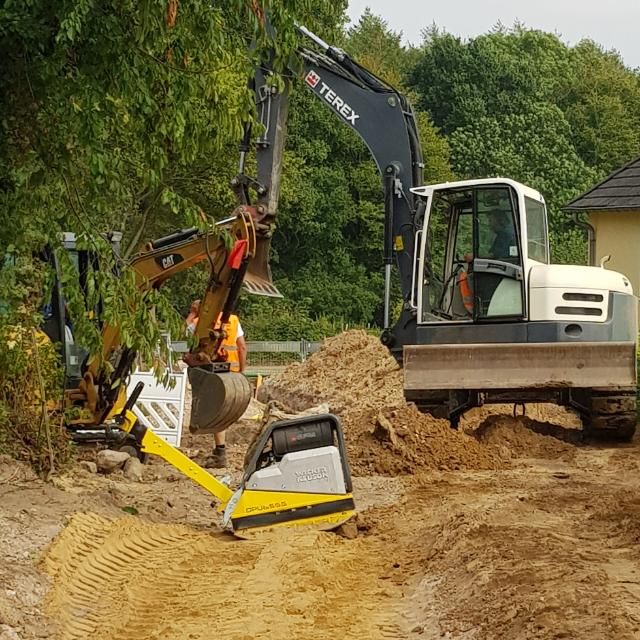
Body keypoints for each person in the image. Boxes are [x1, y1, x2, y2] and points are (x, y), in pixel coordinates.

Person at [185, 299, 247, 468]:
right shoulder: (233, 320)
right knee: (221, 410)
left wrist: (192, 315)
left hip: (209, 373)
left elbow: (184, 334)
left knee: (213, 409)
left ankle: (220, 453)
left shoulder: (198, 324)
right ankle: (219, 451)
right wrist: (242, 370)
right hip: (231, 373)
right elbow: (241, 347)